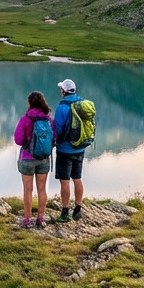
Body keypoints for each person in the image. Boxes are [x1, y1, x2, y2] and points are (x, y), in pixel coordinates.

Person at [12, 91, 52, 228]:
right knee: (42, 189)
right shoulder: (48, 120)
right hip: (44, 158)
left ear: (30, 103)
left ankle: (27, 220)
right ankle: (41, 219)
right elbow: (55, 138)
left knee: (27, 189)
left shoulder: (25, 119)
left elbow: (18, 140)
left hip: (27, 158)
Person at [52, 78, 88, 222]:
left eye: (61, 89)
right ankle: (78, 209)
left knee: (65, 180)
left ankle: (65, 212)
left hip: (65, 150)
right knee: (77, 178)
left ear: (64, 91)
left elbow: (58, 129)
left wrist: (55, 142)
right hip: (80, 148)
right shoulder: (82, 104)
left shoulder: (62, 107)